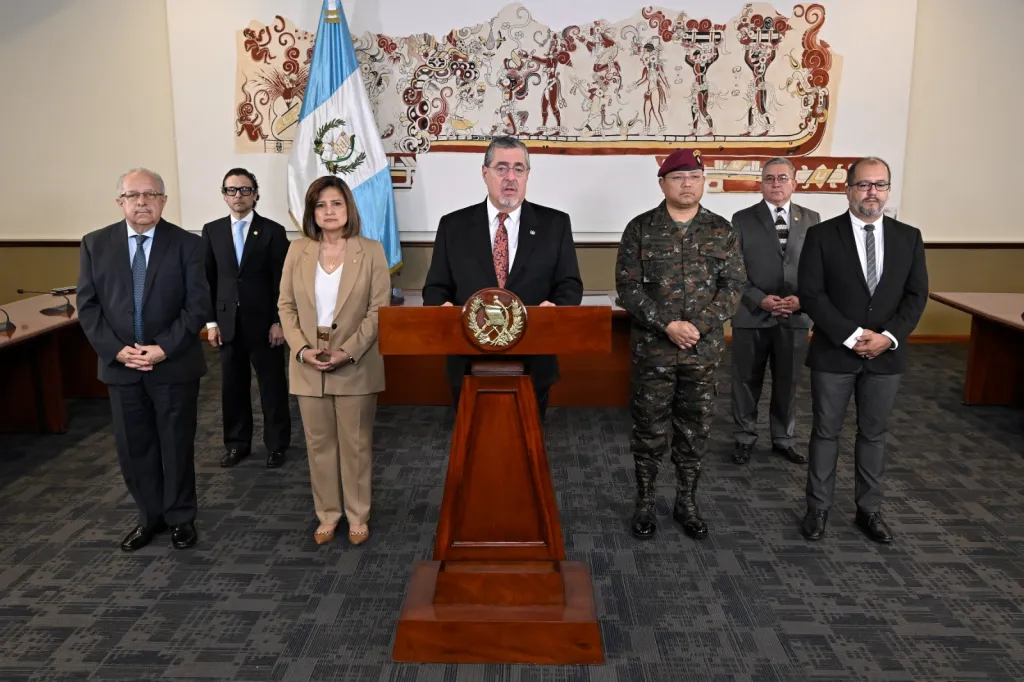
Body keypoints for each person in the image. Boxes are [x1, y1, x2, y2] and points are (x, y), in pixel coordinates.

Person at [615, 148, 746, 541]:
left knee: (694, 430)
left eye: (694, 176)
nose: (687, 184)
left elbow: (734, 287)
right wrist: (668, 325)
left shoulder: (722, 230)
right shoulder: (640, 229)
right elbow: (628, 288)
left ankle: (686, 501)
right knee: (649, 429)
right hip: (653, 351)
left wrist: (697, 326)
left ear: (703, 181)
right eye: (678, 177)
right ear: (662, 183)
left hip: (701, 353)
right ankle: (645, 500)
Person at [797, 156, 928, 544]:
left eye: (880, 185)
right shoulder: (822, 236)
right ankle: (817, 509)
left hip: (886, 355)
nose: (872, 192)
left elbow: (916, 296)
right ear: (847, 188)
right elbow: (811, 295)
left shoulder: (909, 236)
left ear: (888, 189)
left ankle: (869, 511)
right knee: (826, 432)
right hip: (835, 352)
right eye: (864, 184)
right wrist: (852, 335)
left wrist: (888, 337)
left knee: (874, 435)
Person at [77, 168, 209, 551]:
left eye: (151, 194)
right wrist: (117, 350)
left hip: (173, 363)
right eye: (133, 195)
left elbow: (197, 305)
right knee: (135, 449)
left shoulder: (187, 245)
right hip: (121, 367)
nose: (142, 202)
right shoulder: (94, 244)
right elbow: (88, 307)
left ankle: (181, 518)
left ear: (164, 201)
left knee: (175, 444)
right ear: (120, 202)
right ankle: (149, 518)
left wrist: (163, 347)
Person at [422, 135, 583, 419]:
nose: (510, 177)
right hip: (468, 359)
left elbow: (570, 285)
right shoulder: (453, 226)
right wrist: (442, 310)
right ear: (485, 173)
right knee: (471, 449)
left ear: (528, 175)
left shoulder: (555, 224)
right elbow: (435, 289)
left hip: (534, 356)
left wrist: (555, 309)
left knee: (530, 447)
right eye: (501, 168)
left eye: (518, 169)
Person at [278, 175, 390, 546]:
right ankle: (328, 514)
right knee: (319, 445)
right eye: (321, 205)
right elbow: (286, 306)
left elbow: (378, 311)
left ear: (349, 209)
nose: (329, 211)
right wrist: (301, 349)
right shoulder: (298, 251)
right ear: (312, 212)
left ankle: (358, 515)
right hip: (308, 364)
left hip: (355, 363)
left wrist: (348, 351)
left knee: (356, 444)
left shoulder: (371, 249)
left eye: (336, 204)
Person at [730, 158, 820, 465]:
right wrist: (759, 298)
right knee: (746, 380)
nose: (776, 183)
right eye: (769, 178)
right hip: (751, 313)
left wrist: (800, 300)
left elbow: (818, 268)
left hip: (795, 314)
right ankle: (744, 437)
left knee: (787, 380)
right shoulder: (742, 219)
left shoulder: (812, 219)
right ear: (761, 183)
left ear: (795, 183)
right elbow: (734, 270)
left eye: (783, 178)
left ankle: (783, 438)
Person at [201, 168, 291, 469]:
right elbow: (208, 281)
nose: (237, 195)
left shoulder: (273, 231)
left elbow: (283, 281)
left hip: (266, 325)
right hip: (228, 325)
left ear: (256, 194)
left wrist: (280, 321)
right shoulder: (212, 231)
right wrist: (211, 323)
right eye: (231, 190)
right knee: (232, 388)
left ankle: (277, 446)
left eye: (244, 189)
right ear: (223, 195)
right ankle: (237, 444)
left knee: (272, 387)